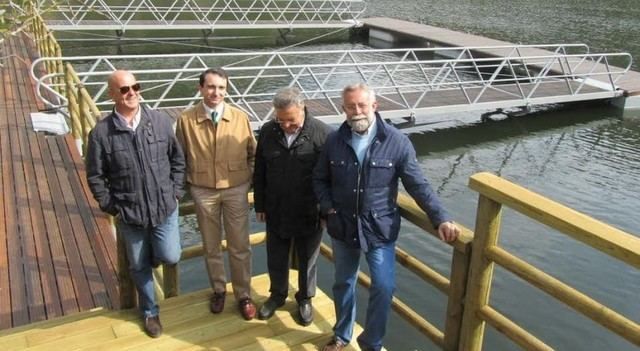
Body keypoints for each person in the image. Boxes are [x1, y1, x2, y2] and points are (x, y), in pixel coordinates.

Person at [312, 83, 460, 351]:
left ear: (374, 106)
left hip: (378, 228)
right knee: (343, 283)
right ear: (342, 108)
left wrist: (440, 218)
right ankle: (342, 336)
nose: (357, 111)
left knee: (383, 286)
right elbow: (320, 179)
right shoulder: (334, 140)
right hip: (342, 225)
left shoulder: (397, 141)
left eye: (362, 105)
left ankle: (372, 343)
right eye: (350, 106)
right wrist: (328, 208)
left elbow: (418, 185)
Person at [86, 70, 185, 338]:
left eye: (135, 87)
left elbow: (177, 159)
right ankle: (150, 312)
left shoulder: (160, 121)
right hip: (130, 213)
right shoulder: (101, 133)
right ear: (112, 95)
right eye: (124, 89)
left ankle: (155, 252)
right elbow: (95, 175)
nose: (131, 93)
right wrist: (111, 206)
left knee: (170, 255)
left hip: (164, 207)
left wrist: (176, 191)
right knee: (138, 266)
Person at [176, 68, 257, 320]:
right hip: (203, 191)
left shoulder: (240, 117)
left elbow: (253, 153)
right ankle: (219, 290)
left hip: (236, 189)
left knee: (240, 246)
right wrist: (185, 187)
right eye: (211, 87)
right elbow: (178, 158)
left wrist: (246, 180)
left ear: (227, 89)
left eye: (221, 88)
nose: (216, 93)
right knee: (211, 246)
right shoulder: (186, 120)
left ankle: (244, 294)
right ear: (200, 88)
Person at [253, 87, 332, 325]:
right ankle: (277, 294)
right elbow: (260, 171)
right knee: (275, 255)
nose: (286, 125)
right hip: (276, 208)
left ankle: (305, 298)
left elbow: (330, 177)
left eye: (291, 120)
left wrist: (325, 209)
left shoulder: (323, 134)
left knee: (308, 258)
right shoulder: (268, 131)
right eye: (281, 119)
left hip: (310, 210)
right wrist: (260, 204)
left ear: (302, 108)